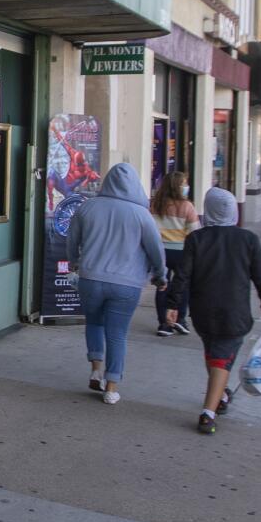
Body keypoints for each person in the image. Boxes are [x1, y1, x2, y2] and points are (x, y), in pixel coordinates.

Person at [165, 187, 261, 434]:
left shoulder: (196, 239)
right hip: (235, 310)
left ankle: (222, 394)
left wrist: (173, 304)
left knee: (215, 353)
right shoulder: (248, 239)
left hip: (203, 310)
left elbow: (182, 275)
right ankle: (208, 412)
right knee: (220, 357)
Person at [67, 162, 168, 405]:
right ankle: (111, 387)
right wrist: (160, 275)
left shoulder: (88, 207)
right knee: (117, 334)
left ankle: (95, 369)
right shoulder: (141, 214)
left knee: (94, 323)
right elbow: (156, 249)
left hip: (90, 278)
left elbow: (72, 239)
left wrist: (73, 262)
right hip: (126, 284)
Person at [149, 170, 196, 337]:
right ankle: (179, 319)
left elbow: (149, 228)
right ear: (178, 186)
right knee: (182, 285)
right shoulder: (187, 206)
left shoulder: (155, 204)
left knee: (162, 285)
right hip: (181, 252)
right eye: (184, 184)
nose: (186, 187)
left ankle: (163, 323)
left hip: (160, 251)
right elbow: (194, 232)